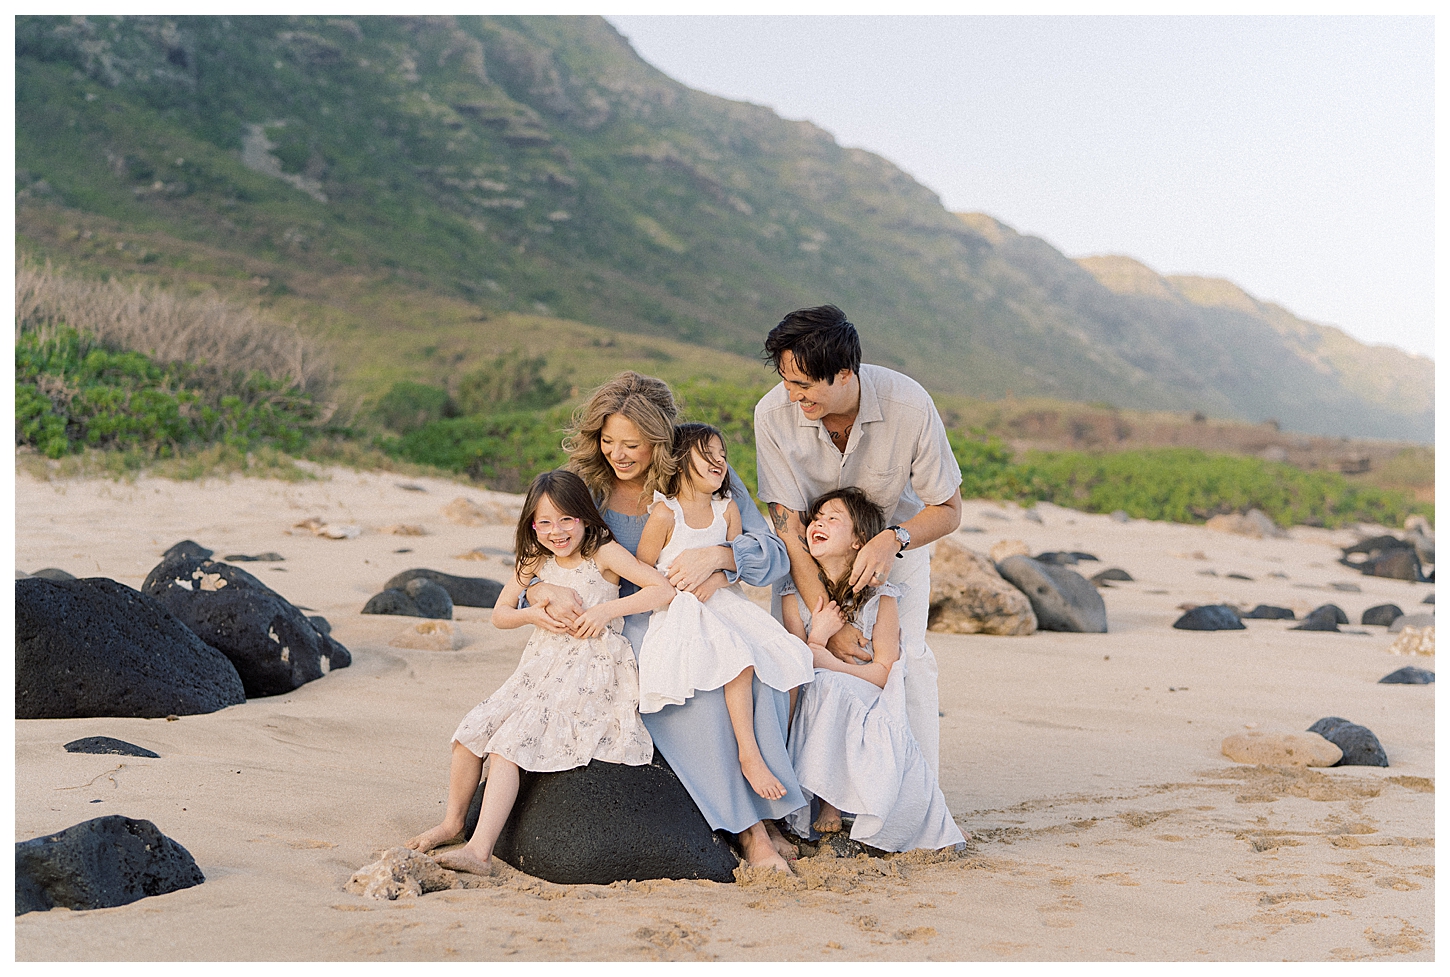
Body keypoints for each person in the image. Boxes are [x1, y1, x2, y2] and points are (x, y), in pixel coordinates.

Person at [526, 371, 800, 872]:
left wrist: (719, 555)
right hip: (622, 621)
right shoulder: (585, 487)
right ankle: (750, 831)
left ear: (660, 440)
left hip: (697, 612)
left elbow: (773, 555)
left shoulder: (700, 477)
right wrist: (538, 588)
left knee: (763, 671)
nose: (619, 455)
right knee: (700, 690)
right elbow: (539, 550)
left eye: (633, 444)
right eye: (609, 442)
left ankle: (773, 811)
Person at [404, 469, 675, 876]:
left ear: (584, 517)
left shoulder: (603, 552)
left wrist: (606, 610)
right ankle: (452, 822)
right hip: (542, 662)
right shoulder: (535, 558)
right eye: (545, 522)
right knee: (471, 732)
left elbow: (661, 589)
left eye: (566, 519)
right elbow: (499, 615)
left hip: (593, 662)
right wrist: (531, 612)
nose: (557, 531)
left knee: (509, 742)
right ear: (532, 525)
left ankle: (480, 851)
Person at [755, 305, 962, 774]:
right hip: (809, 553)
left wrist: (894, 538)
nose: (791, 395)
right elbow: (787, 526)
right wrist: (832, 618)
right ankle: (797, 801)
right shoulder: (772, 413)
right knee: (792, 660)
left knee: (908, 664)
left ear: (845, 374)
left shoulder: (909, 405)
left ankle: (909, 797)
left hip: (896, 550)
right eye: (787, 380)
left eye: (803, 385)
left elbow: (949, 510)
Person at [635, 423, 814, 801]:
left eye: (722, 454)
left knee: (793, 655)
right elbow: (643, 569)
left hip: (724, 602)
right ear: (681, 460)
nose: (719, 461)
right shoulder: (665, 514)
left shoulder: (728, 509)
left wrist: (717, 577)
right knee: (739, 658)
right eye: (708, 454)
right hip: (681, 608)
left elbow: (733, 568)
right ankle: (749, 755)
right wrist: (674, 592)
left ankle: (783, 754)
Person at [779, 488, 964, 852]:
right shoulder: (793, 592)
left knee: (831, 685)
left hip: (865, 694)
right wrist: (817, 638)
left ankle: (833, 802)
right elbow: (794, 656)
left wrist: (825, 657)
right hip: (815, 690)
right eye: (817, 518)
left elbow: (883, 672)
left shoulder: (882, 597)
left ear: (858, 541)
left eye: (834, 519)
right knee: (821, 686)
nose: (819, 522)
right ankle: (820, 801)